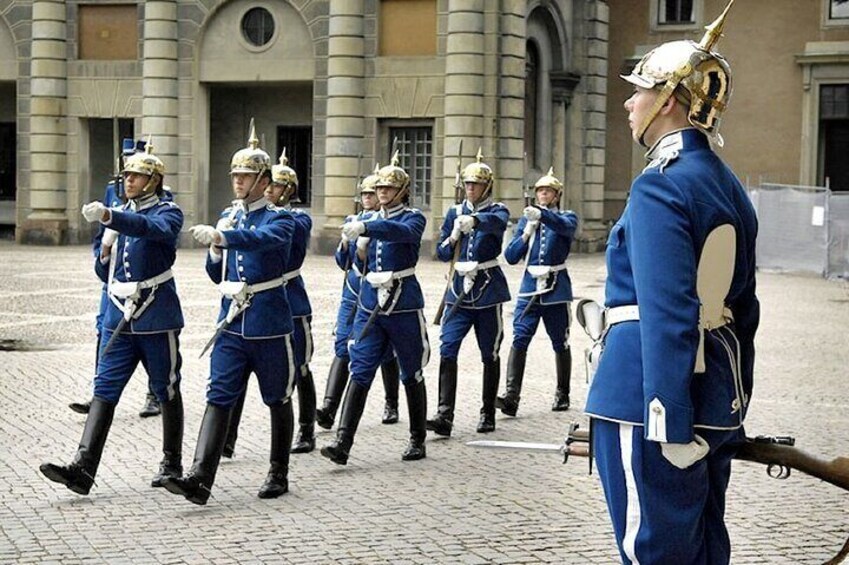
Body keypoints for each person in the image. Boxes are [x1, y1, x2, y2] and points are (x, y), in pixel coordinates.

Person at [584, 4, 760, 563]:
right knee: (704, 547)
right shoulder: (725, 183)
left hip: (649, 400)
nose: (629, 102)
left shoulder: (660, 185)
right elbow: (744, 312)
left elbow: (667, 312)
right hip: (713, 395)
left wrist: (668, 419)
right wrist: (731, 406)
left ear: (670, 99)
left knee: (652, 551)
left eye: (640, 90)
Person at [40, 137, 186, 495]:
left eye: (136, 177)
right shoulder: (121, 212)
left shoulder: (167, 211)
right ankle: (83, 467)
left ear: (153, 181)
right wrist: (103, 250)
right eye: (127, 177)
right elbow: (106, 271)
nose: (128, 182)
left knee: (165, 387)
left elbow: (156, 231)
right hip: (118, 315)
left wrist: (112, 217)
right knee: (104, 388)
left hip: (154, 315)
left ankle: (172, 462)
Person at [162, 121, 297, 504]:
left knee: (277, 397)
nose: (239, 181)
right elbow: (216, 274)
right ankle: (200, 478)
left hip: (268, 322)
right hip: (231, 322)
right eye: (236, 174)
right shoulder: (230, 216)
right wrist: (216, 252)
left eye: (247, 175)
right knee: (218, 395)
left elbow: (267, 242)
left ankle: (278, 470)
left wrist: (225, 237)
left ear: (264, 180)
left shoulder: (279, 217)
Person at [320, 152, 430, 465]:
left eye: (389, 188)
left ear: (402, 192)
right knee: (361, 366)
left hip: (403, 302)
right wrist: (352, 245)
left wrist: (367, 230)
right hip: (370, 303)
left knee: (411, 371)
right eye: (379, 188)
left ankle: (417, 438)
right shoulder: (364, 220)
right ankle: (343, 442)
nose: (382, 192)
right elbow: (350, 264)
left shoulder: (412, 217)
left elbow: (405, 234)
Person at [221, 148, 317, 457]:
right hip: (252, 300)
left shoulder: (294, 219)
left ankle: (306, 429)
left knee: (298, 367)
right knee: (237, 376)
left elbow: (278, 244)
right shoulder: (245, 216)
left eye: (277, 186)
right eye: (271, 185)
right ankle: (227, 438)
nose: (272, 191)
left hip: (288, 296)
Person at [70, 138, 162, 419]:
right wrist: (104, 253)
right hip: (113, 280)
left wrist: (113, 218)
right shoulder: (114, 189)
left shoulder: (161, 199)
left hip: (141, 279)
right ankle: (101, 390)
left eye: (134, 168)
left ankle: (155, 393)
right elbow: (102, 234)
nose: (128, 176)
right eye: (126, 168)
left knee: (147, 340)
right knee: (105, 329)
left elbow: (151, 227)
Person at [427, 149, 510, 437]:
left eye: (475, 184)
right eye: (467, 184)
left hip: (487, 288)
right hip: (457, 290)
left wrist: (475, 222)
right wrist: (452, 236)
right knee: (448, 348)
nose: (470, 189)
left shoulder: (496, 209)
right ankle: (444, 414)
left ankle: (487, 412)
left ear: (487, 186)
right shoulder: (454, 212)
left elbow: (498, 222)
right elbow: (440, 253)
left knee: (490, 353)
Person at [315, 164, 401, 431]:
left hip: (377, 288)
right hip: (353, 289)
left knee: (384, 350)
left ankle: (391, 402)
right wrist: (344, 242)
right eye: (364, 194)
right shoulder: (356, 221)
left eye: (370, 194)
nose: (366, 198)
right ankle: (329, 406)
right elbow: (343, 262)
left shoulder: (384, 223)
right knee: (342, 343)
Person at [497, 169, 578, 416]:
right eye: (540, 191)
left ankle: (562, 392)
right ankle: (511, 396)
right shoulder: (527, 220)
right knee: (519, 337)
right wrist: (526, 231)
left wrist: (542, 216)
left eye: (548, 191)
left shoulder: (566, 216)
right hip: (530, 288)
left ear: (556, 195)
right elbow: (511, 257)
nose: (543, 194)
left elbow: (564, 227)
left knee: (559, 341)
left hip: (556, 288)